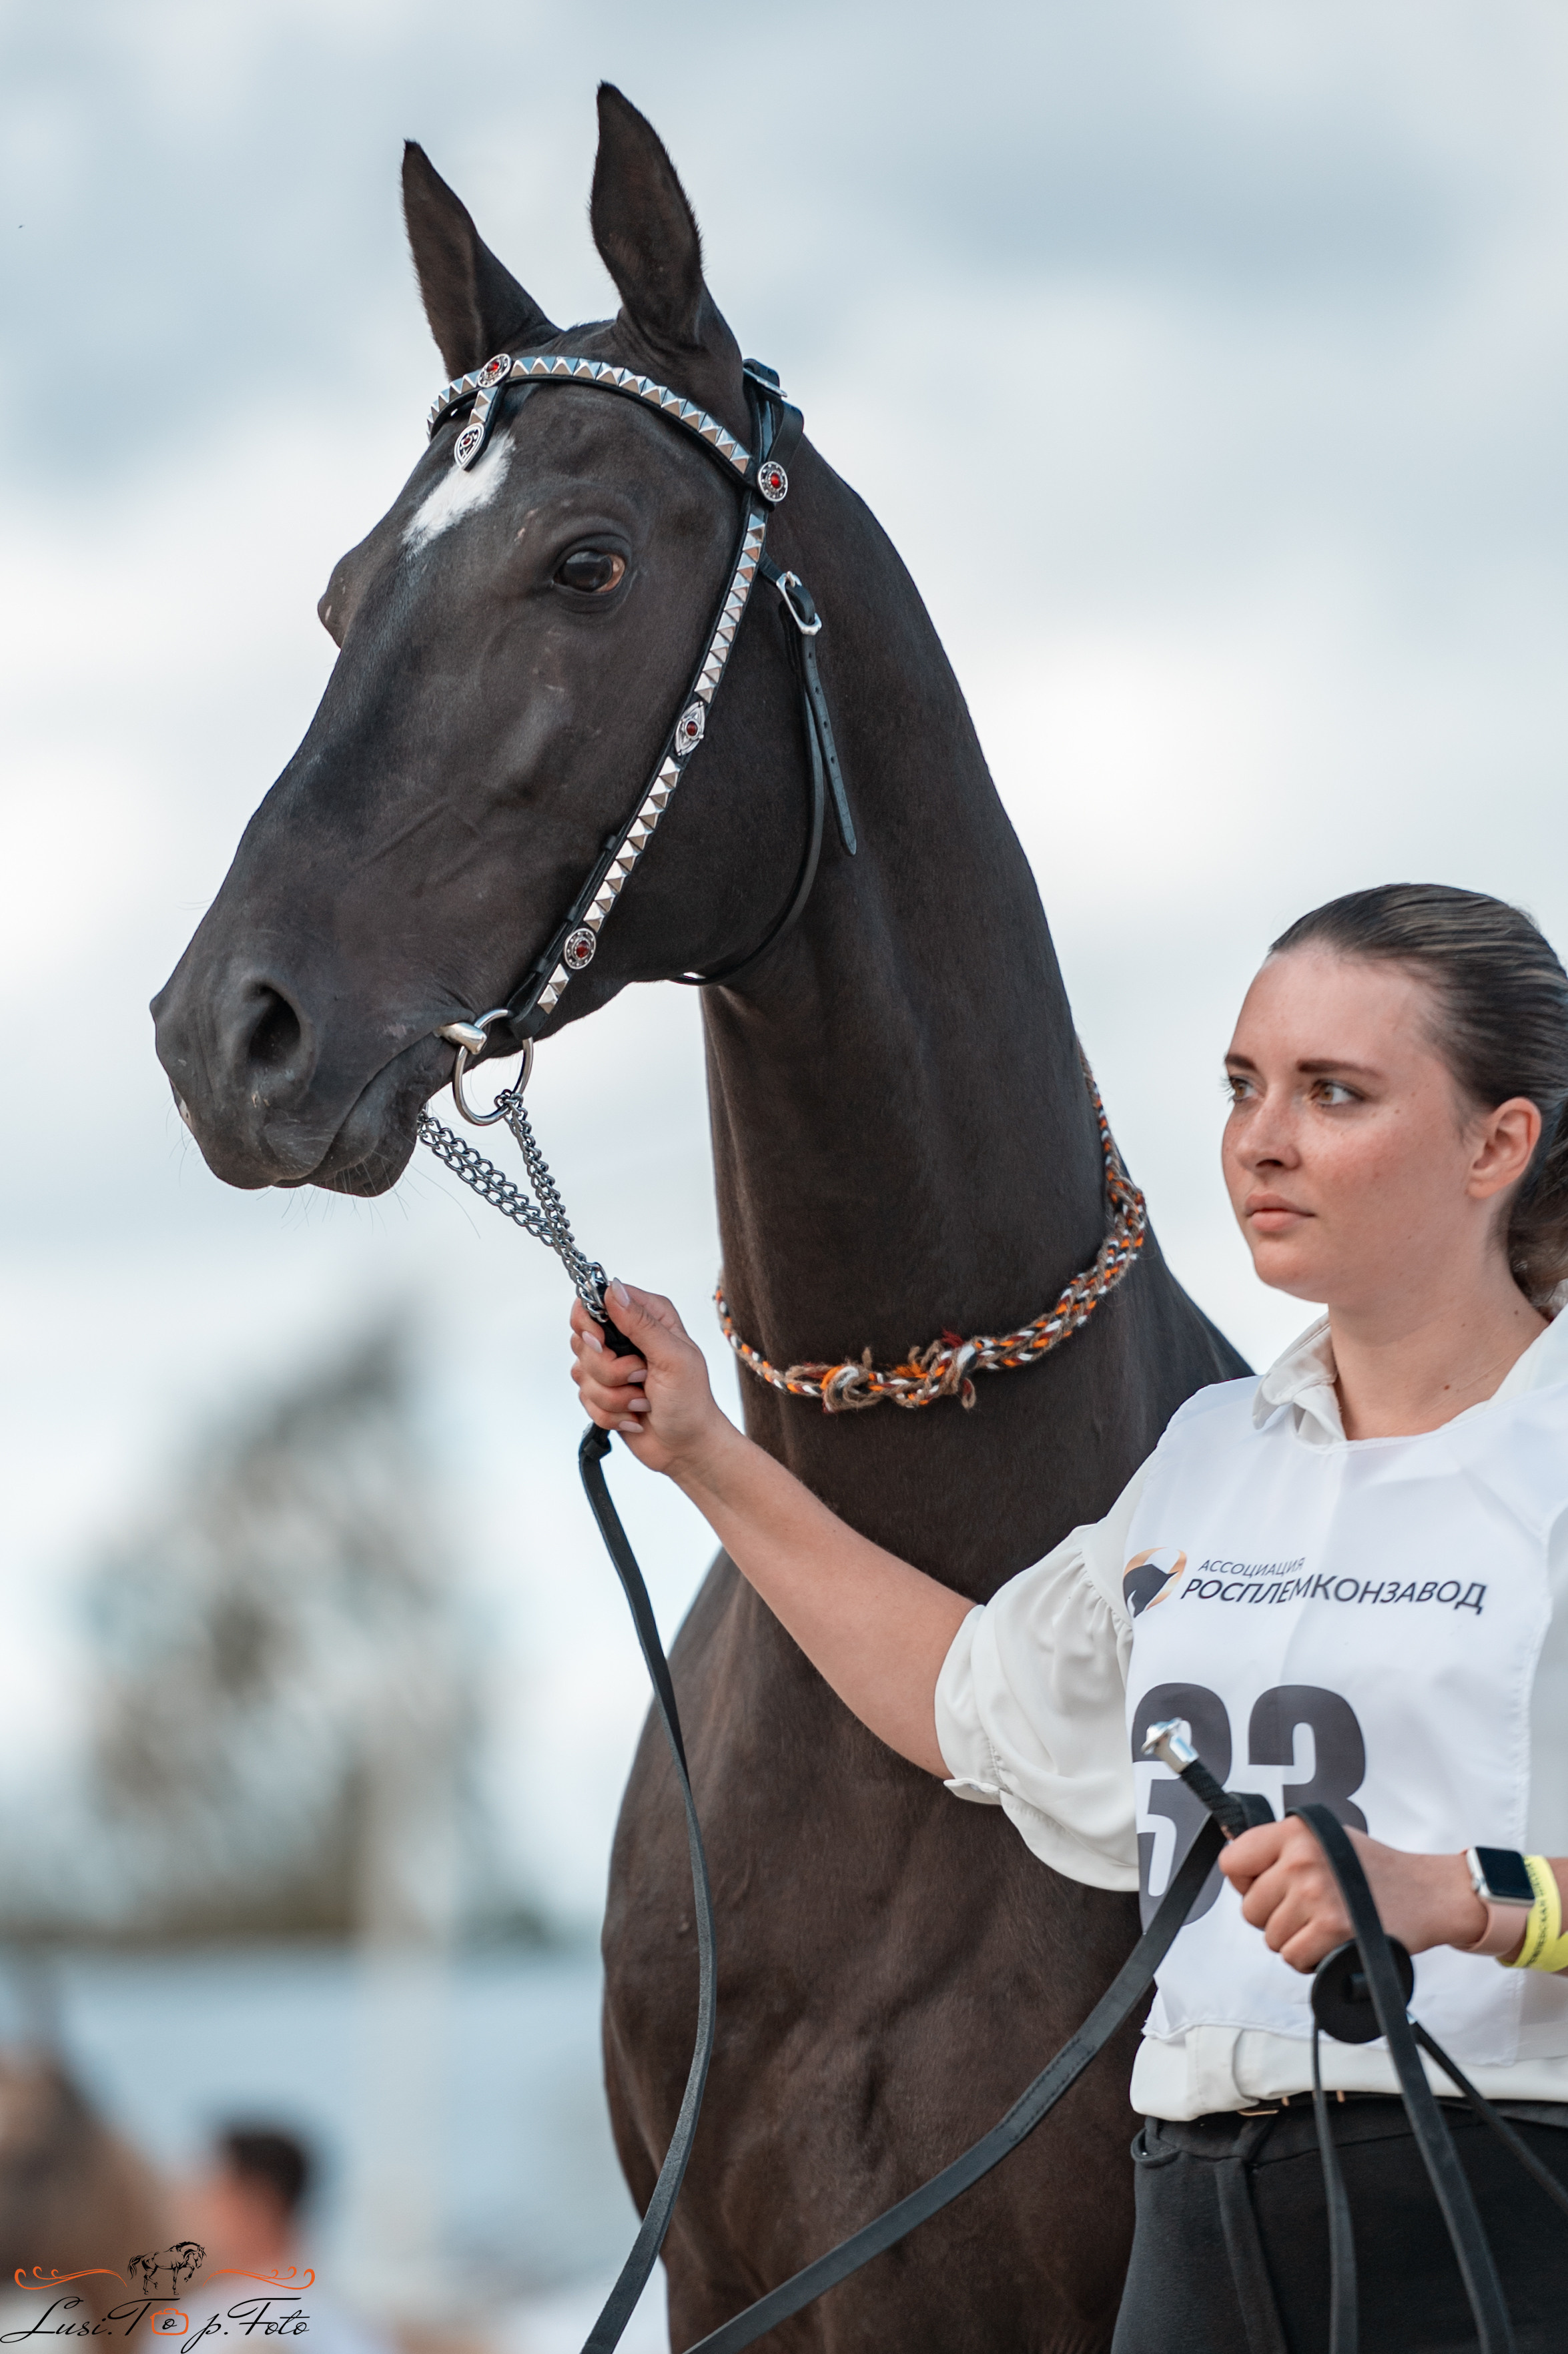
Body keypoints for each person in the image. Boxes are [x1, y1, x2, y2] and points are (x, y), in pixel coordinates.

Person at [569, 882, 1568, 2351]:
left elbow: (1466, 1892)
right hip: (1187, 2213)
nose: (1261, 1140)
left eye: (1332, 1093)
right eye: (1243, 1087)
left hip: (1491, 2211)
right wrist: (708, 1458)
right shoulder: (1208, 1453)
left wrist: (1462, 1897)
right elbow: (973, 1700)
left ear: (1498, 1142)